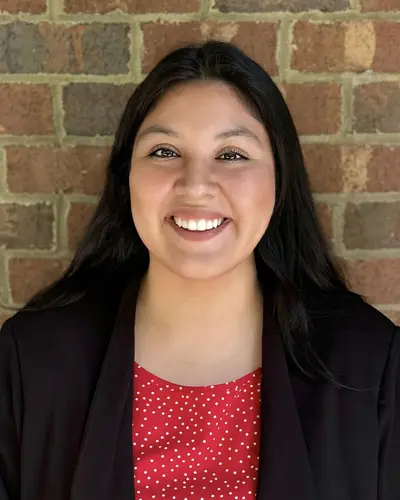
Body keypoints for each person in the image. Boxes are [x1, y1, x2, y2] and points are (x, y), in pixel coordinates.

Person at [0, 40, 399, 500]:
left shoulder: (369, 366)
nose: (195, 185)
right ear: (126, 175)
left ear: (280, 180)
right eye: (165, 151)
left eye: (231, 155)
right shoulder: (33, 362)